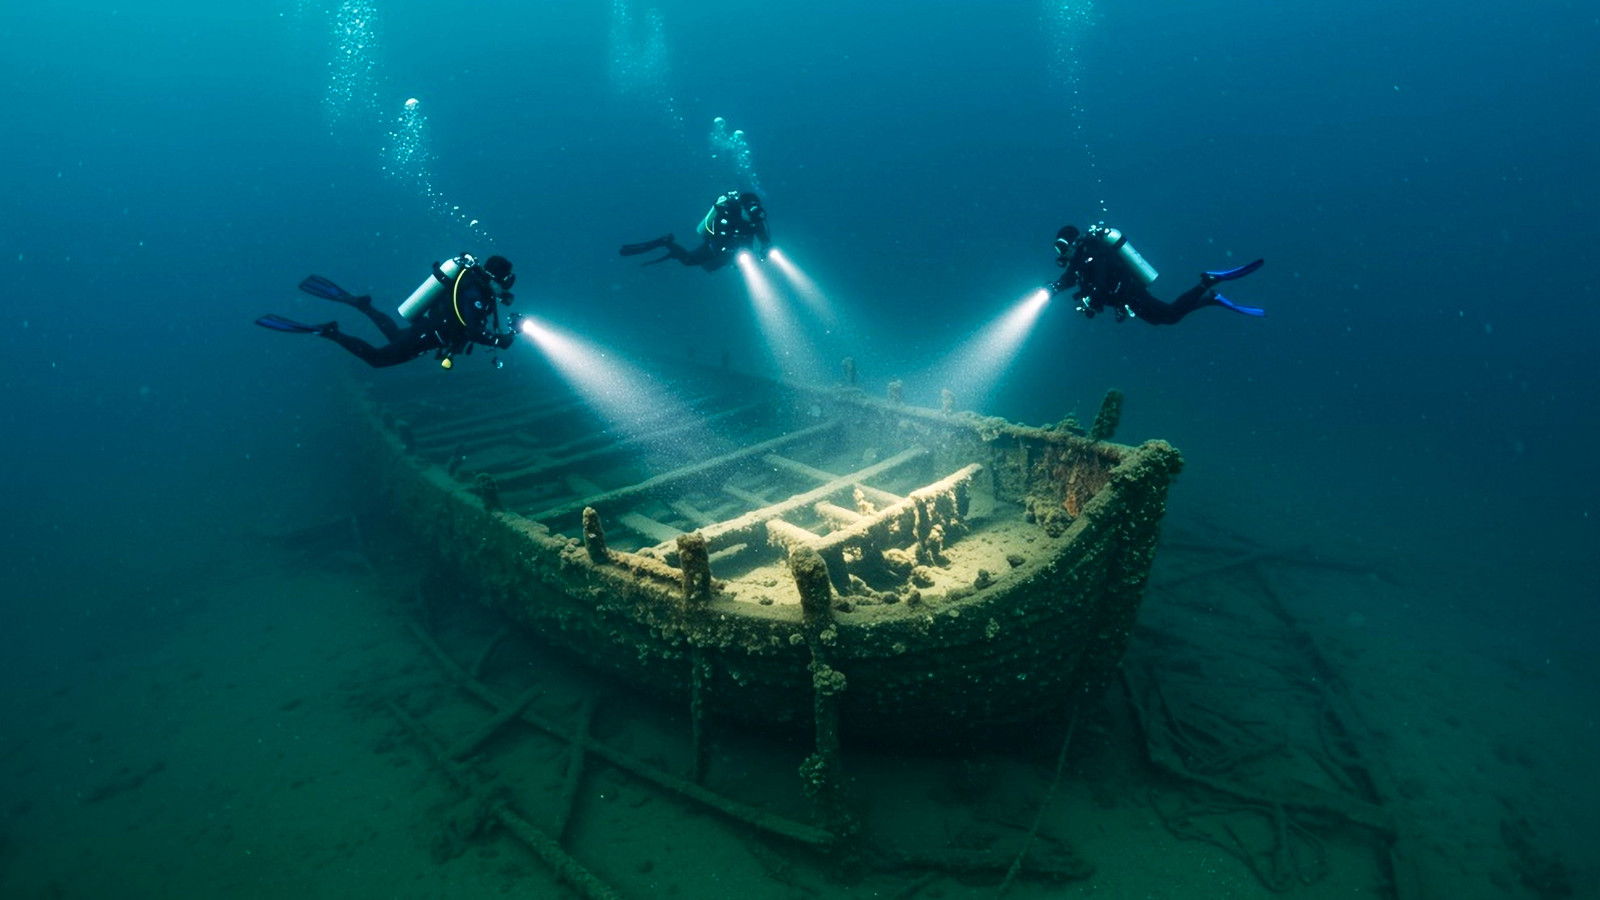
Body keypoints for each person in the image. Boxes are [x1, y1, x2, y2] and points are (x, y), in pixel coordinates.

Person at [255, 254, 519, 369]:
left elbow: (473, 325)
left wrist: (505, 333)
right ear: (493, 277)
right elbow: (472, 330)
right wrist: (499, 340)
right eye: (504, 282)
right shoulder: (475, 293)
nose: (505, 288)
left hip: (431, 329)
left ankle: (364, 306)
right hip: (431, 334)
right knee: (378, 360)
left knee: (394, 336)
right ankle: (331, 333)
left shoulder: (480, 290)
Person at [1048, 224, 1265, 324]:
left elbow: (1102, 284)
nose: (1061, 252)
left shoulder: (1094, 253)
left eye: (1061, 246)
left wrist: (1092, 301)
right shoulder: (1079, 264)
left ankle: (1207, 283)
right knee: (1160, 320)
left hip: (1130, 292)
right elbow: (1069, 279)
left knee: (1169, 314)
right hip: (1125, 300)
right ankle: (1211, 298)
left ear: (1073, 242)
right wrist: (1052, 289)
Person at [619, 190, 772, 272]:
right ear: (742, 209)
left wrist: (764, 249)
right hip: (716, 247)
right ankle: (667, 243)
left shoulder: (757, 220)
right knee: (688, 261)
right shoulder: (729, 215)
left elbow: (764, 240)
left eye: (755, 213)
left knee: (709, 268)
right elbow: (716, 236)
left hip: (732, 252)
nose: (752, 217)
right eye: (749, 212)